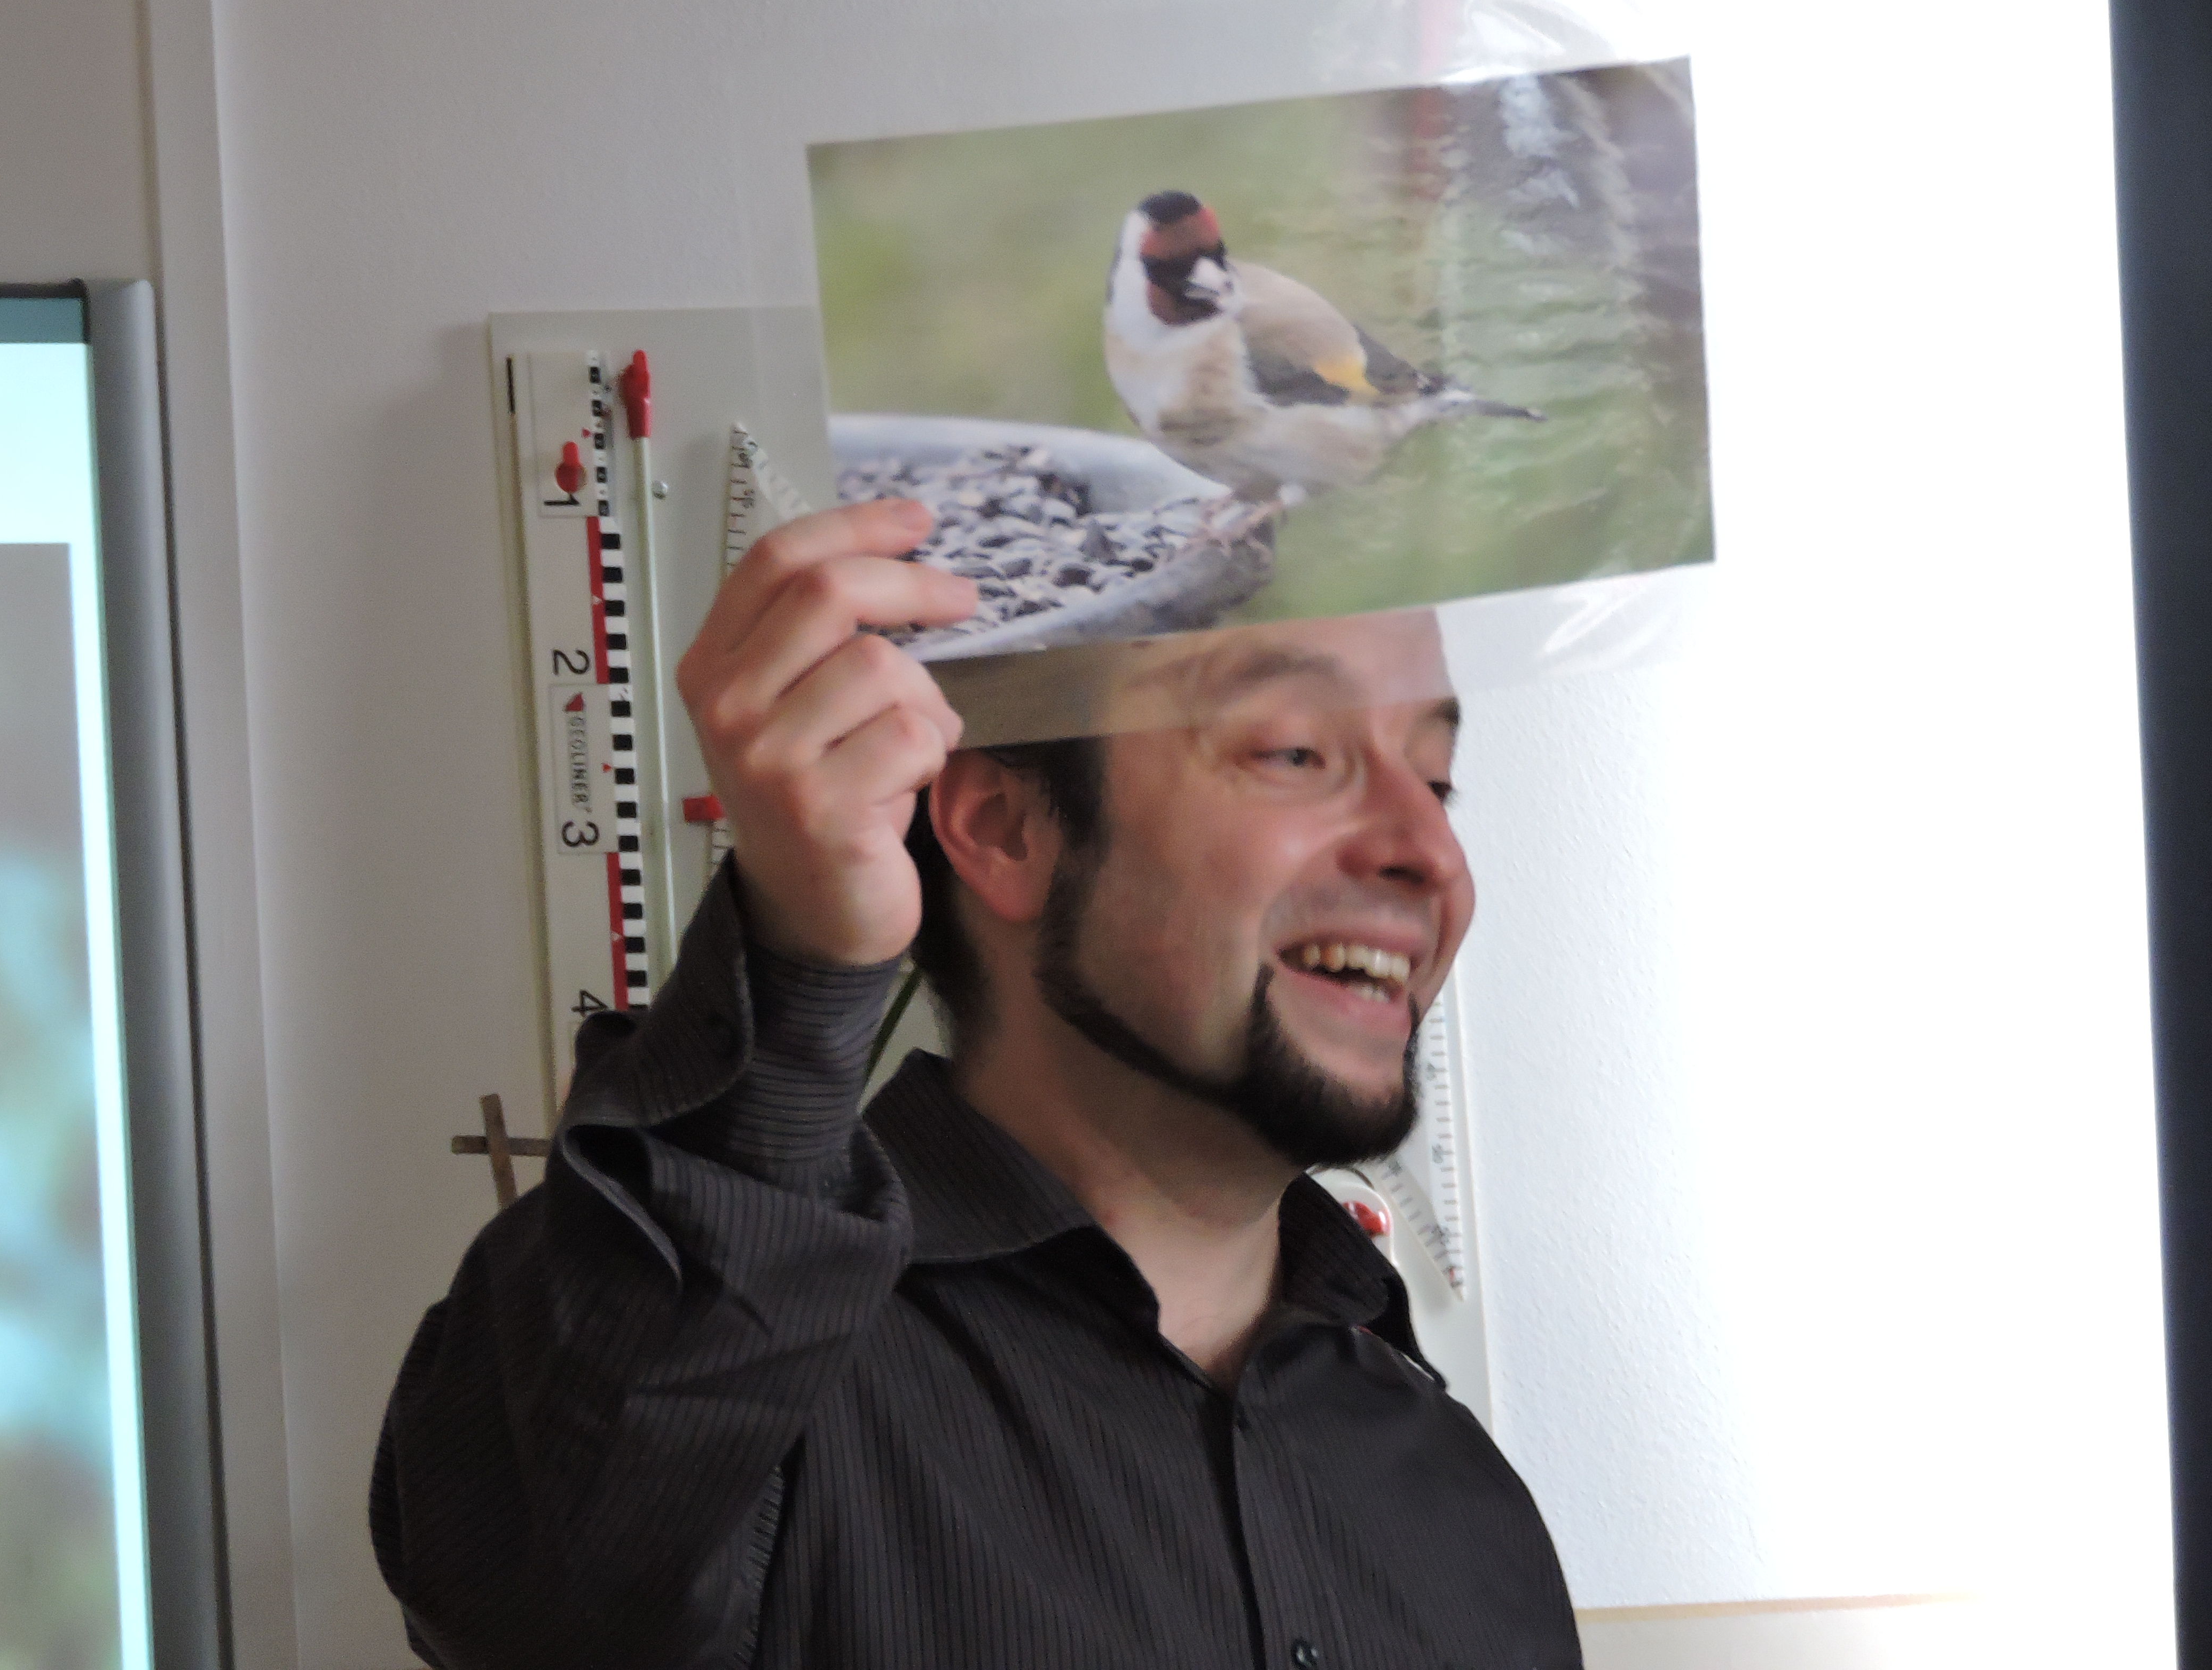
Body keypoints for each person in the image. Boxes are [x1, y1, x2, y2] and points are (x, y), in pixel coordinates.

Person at [371, 499, 1581, 1669]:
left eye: (1437, 780)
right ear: (1006, 828)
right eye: (1297, 752)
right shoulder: (744, 1399)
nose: (1430, 853)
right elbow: (534, 1600)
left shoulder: (1467, 1506)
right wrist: (801, 954)